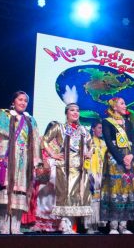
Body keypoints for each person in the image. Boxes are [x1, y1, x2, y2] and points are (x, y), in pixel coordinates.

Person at [0, 91, 42, 234]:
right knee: (5, 194)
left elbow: (36, 142)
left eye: (25, 101)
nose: (23, 103)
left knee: (20, 194)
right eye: (20, 100)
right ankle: (3, 228)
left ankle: (15, 227)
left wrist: (36, 162)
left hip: (24, 160)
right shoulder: (4, 115)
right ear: (13, 101)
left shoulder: (30, 120)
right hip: (7, 159)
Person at [40, 86, 93, 234]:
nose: (75, 113)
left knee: (77, 197)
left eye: (77, 110)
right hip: (65, 167)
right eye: (72, 110)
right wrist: (53, 154)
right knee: (66, 195)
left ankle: (72, 226)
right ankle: (64, 225)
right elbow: (44, 141)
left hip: (80, 168)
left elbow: (92, 144)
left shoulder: (83, 130)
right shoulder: (59, 127)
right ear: (66, 113)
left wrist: (89, 152)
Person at [100, 97, 134, 234]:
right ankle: (113, 226)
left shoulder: (128, 123)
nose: (125, 105)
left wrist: (131, 156)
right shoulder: (106, 122)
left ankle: (123, 225)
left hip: (129, 158)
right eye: (122, 103)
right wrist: (121, 158)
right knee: (114, 190)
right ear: (114, 107)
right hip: (114, 159)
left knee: (127, 190)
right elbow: (109, 143)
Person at [84, 121, 108, 234]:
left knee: (100, 200)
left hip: (101, 174)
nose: (101, 130)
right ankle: (89, 226)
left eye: (102, 128)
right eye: (99, 128)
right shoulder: (89, 142)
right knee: (91, 199)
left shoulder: (104, 143)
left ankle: (97, 225)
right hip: (91, 173)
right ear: (93, 129)